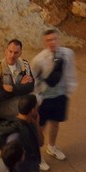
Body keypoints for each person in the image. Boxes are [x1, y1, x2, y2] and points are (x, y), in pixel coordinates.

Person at [31, 27, 77, 164]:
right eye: (49, 40)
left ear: (59, 39)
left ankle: (51, 147)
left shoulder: (67, 54)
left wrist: (68, 91)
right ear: (44, 42)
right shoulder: (38, 60)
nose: (52, 42)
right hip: (44, 98)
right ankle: (37, 155)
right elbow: (33, 80)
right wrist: (36, 98)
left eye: (55, 39)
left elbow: (70, 72)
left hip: (60, 95)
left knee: (56, 123)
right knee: (40, 127)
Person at [0, 39, 35, 165]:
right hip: (0, 115)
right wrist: (20, 86)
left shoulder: (24, 65)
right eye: (10, 51)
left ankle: (10, 167)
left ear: (20, 53)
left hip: (17, 114)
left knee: (15, 143)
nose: (12, 55)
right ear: (5, 51)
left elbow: (30, 86)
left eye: (16, 52)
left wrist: (12, 88)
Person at [11, 93, 44, 172]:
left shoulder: (13, 122)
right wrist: (37, 124)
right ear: (33, 110)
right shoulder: (27, 130)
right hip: (27, 170)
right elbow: (40, 142)